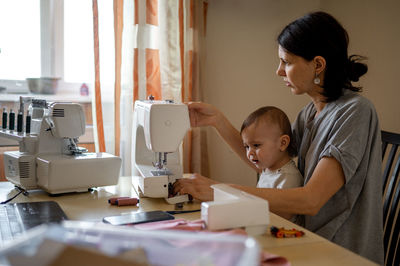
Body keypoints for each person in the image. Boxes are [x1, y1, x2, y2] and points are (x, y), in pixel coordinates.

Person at [173, 11, 384, 264]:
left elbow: (311, 200)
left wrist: (219, 190)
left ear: (318, 64)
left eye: (287, 62)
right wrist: (217, 121)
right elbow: (268, 160)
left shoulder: (356, 111)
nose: (279, 71)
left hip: (339, 252)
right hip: (304, 238)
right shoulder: (310, 113)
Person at [240, 106, 303, 220]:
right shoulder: (267, 170)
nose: (250, 153)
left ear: (282, 143)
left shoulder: (288, 177)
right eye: (246, 147)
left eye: (256, 145)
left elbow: (285, 214)